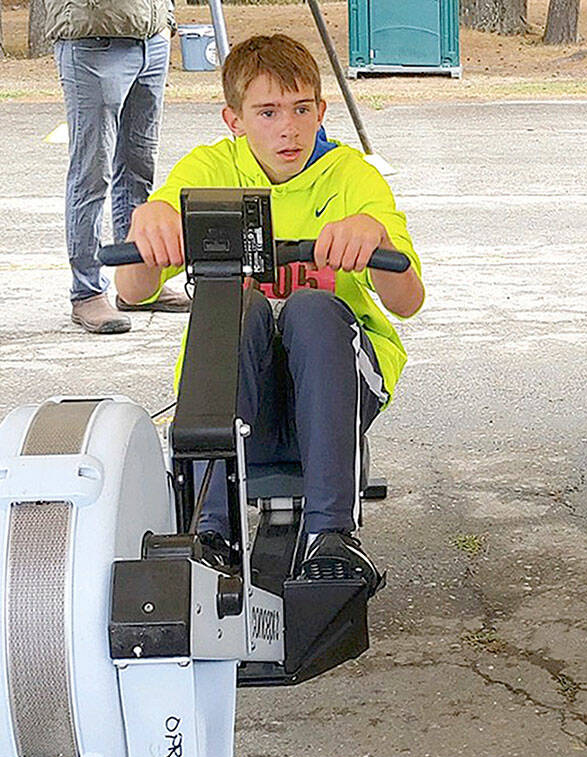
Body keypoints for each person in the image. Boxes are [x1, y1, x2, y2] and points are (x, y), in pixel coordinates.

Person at [114, 34, 424, 591]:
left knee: (310, 308)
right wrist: (153, 221)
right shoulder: (208, 170)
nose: (289, 128)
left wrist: (372, 236)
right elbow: (132, 289)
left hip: (338, 379)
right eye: (268, 112)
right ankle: (210, 535)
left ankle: (333, 536)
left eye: (302, 109)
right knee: (242, 306)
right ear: (234, 119)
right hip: (235, 384)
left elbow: (408, 301)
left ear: (322, 111)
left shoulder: (352, 177)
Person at [50, 0, 190, 334]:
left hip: (151, 37)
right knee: (92, 173)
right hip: (93, 37)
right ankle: (87, 291)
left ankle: (135, 284)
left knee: (139, 166)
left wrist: (165, 20)